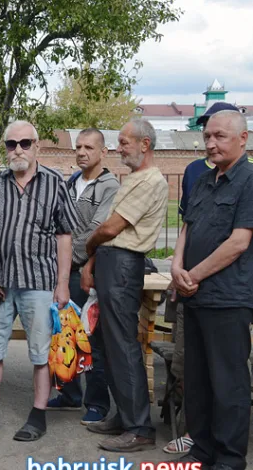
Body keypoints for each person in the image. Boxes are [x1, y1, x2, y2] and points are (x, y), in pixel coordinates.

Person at [0, 120, 79, 442]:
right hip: (1, 284)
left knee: (40, 353)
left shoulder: (55, 183)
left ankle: (38, 415)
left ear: (37, 147)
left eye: (25, 143)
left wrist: (62, 284)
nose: (18, 150)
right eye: (11, 144)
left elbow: (64, 236)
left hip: (40, 282)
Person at [171, 110, 253, 470]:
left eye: (219, 136)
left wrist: (194, 275)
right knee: (198, 382)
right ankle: (201, 450)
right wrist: (176, 267)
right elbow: (187, 228)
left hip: (228, 298)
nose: (210, 143)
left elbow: (238, 242)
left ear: (243, 139)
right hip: (195, 297)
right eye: (207, 136)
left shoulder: (249, 181)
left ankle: (229, 458)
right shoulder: (203, 180)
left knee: (228, 383)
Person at [82, 118, 168, 452]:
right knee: (108, 343)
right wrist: (92, 260)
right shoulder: (134, 178)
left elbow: (110, 228)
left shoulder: (151, 180)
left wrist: (89, 248)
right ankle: (125, 416)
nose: (119, 147)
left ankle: (139, 429)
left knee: (123, 346)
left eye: (124, 141)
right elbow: (106, 230)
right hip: (109, 261)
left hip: (121, 264)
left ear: (145, 144)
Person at [47, 128, 119, 425]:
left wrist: (75, 258)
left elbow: (98, 230)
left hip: (88, 272)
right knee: (65, 336)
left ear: (103, 152)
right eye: (78, 147)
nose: (81, 152)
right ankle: (69, 394)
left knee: (92, 341)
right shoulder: (73, 181)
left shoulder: (109, 186)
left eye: (89, 147)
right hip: (65, 272)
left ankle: (97, 404)